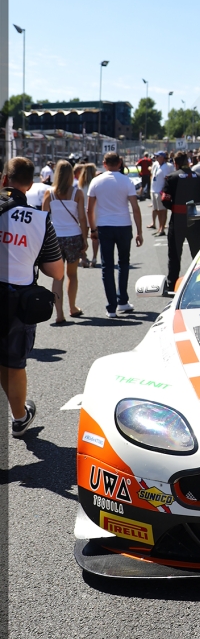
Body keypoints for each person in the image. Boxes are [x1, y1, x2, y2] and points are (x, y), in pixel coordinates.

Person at [1, 157, 63, 437]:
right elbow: (56, 271)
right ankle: (19, 417)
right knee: (13, 363)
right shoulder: (39, 220)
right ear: (31, 183)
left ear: (5, 180)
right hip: (18, 299)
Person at [87, 152, 143, 318]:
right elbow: (135, 207)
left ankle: (111, 307)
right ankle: (122, 300)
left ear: (104, 163)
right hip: (124, 225)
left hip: (104, 226)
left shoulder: (96, 181)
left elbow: (90, 209)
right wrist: (139, 231)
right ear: (119, 163)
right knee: (123, 263)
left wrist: (93, 229)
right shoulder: (127, 181)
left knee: (107, 266)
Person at [42, 160, 88, 323]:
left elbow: (44, 218)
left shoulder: (49, 192)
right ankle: (73, 307)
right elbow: (82, 218)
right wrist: (85, 238)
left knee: (57, 277)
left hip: (55, 237)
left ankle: (59, 314)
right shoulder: (78, 193)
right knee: (72, 275)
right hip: (73, 237)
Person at [161, 152, 200, 290]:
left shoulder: (171, 177)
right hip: (194, 219)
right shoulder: (199, 178)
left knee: (175, 254)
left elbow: (165, 200)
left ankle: (172, 284)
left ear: (175, 163)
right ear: (188, 162)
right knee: (197, 253)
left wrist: (175, 209)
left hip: (177, 219)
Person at [77, 162, 99, 266]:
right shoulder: (96, 184)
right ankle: (94, 257)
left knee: (83, 237)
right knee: (95, 236)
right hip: (94, 211)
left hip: (82, 211)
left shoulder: (79, 185)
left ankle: (84, 257)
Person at [149, 152, 174, 236]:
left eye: (158, 156)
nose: (155, 157)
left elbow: (168, 179)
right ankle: (159, 228)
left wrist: (164, 191)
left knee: (162, 210)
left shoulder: (166, 167)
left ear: (163, 157)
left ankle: (162, 228)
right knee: (157, 210)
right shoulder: (156, 164)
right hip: (154, 190)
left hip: (160, 191)